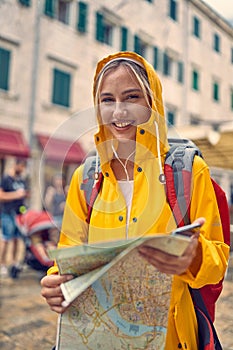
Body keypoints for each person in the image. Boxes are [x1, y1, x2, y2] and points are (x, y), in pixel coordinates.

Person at [41, 52, 229, 349]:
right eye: (107, 100)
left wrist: (193, 256)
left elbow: (218, 260)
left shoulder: (189, 171)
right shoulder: (84, 179)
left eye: (132, 97)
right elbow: (68, 257)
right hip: (100, 337)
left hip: (171, 340)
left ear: (152, 103)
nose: (119, 112)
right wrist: (56, 282)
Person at [0, 157, 28, 278]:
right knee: (5, 239)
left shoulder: (21, 180)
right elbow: (1, 195)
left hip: (19, 214)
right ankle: (2, 265)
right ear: (16, 165)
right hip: (7, 213)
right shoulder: (6, 179)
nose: (22, 169)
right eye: (21, 166)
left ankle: (14, 264)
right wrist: (16, 195)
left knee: (17, 240)